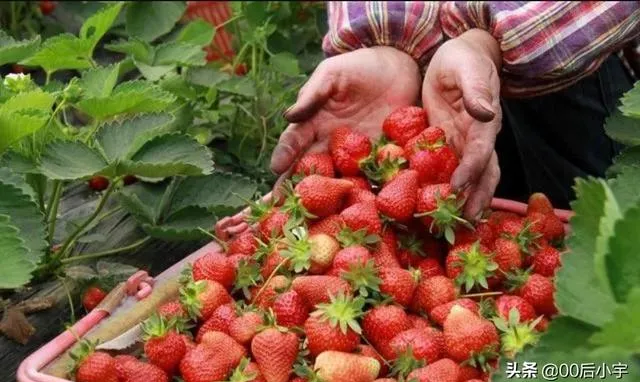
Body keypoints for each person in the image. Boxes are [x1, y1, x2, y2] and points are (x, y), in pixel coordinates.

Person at [218, 1, 640, 237]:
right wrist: (386, 41)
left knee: (599, 256)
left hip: (570, 64)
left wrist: (487, 40)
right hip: (443, 88)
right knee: (471, 229)